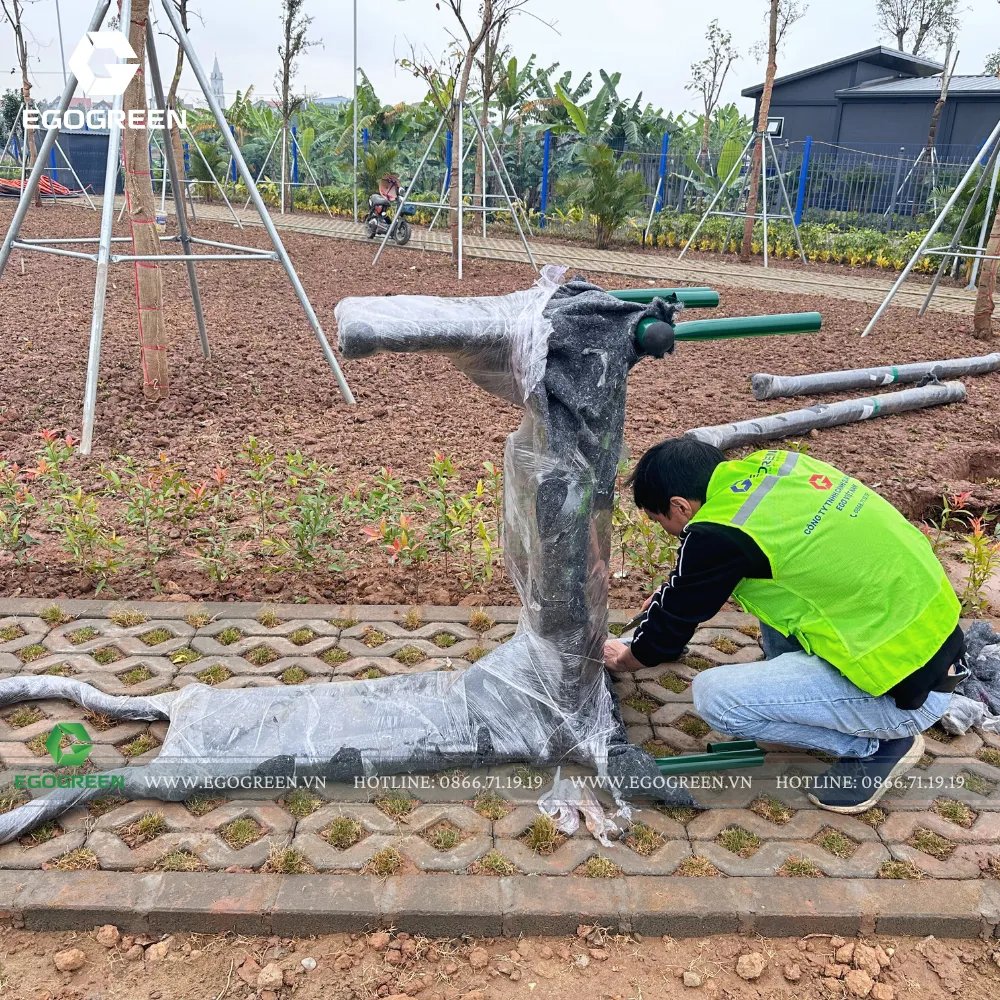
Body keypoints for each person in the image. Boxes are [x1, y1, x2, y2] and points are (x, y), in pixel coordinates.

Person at [603, 437, 967, 815]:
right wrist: (679, 593)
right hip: (933, 638)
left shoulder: (718, 532)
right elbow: (727, 565)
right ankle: (823, 702)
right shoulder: (777, 467)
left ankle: (878, 746)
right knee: (776, 580)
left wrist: (625, 657)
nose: (670, 533)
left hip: (906, 690)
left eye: (662, 522)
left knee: (716, 698)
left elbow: (662, 640)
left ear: (679, 505)